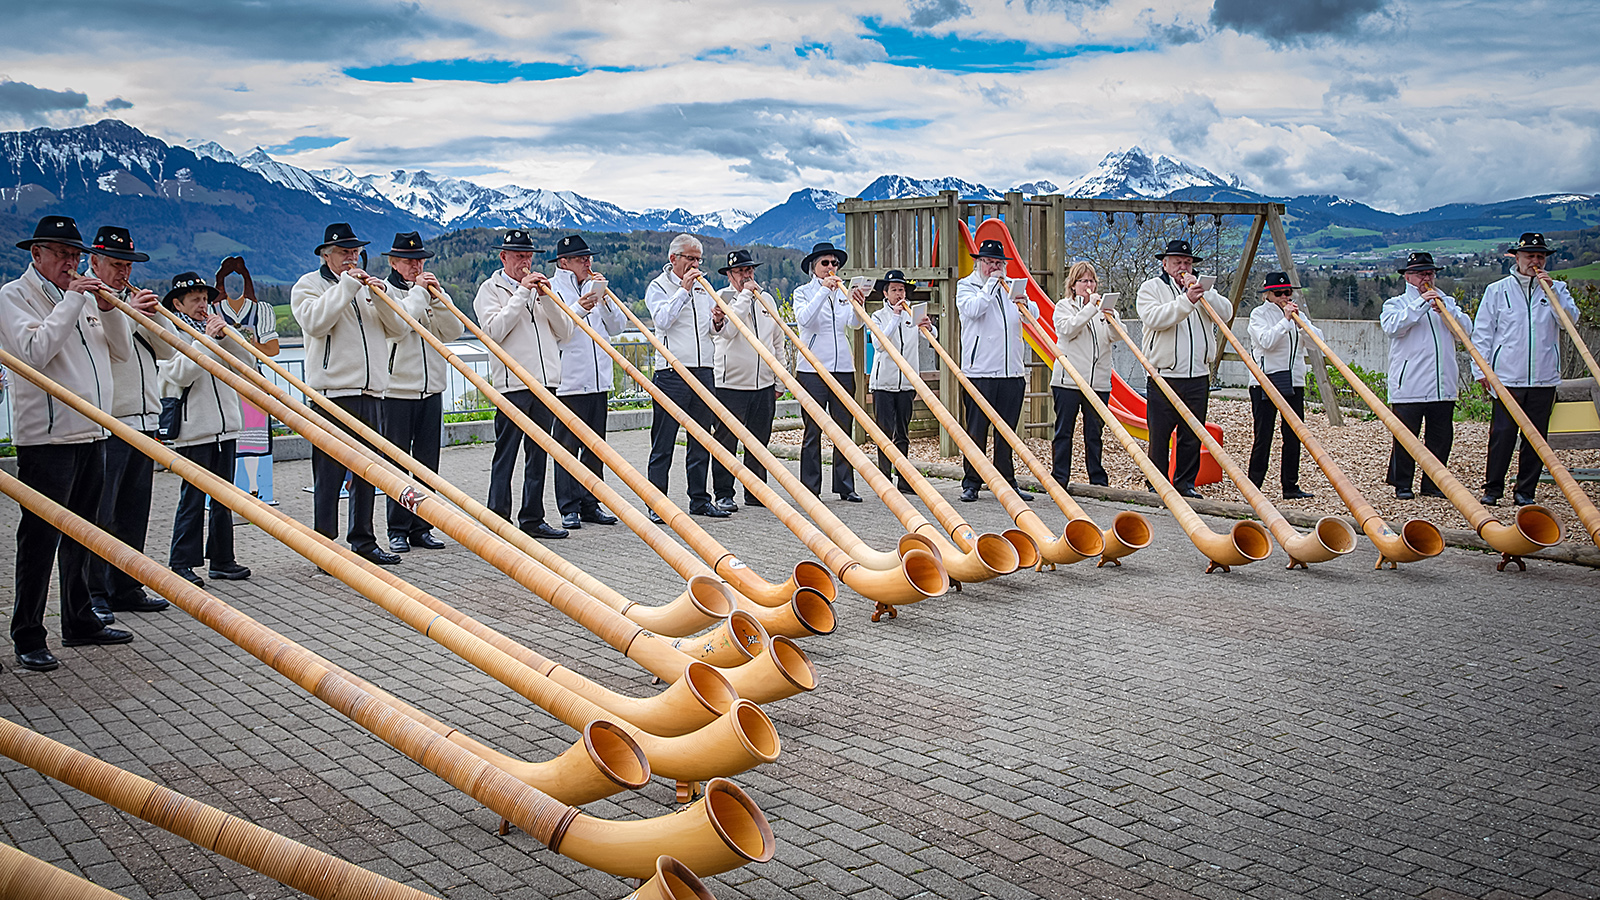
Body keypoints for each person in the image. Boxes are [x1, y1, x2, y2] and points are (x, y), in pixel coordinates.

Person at [0, 216, 138, 672]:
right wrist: (74, 301)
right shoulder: (13, 296)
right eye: (61, 254)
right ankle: (27, 633)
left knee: (86, 535)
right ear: (35, 254)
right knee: (39, 540)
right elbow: (35, 352)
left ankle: (80, 620)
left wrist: (113, 307)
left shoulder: (85, 295)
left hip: (94, 430)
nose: (71, 262)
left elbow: (119, 352)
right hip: (47, 438)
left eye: (75, 255)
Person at [290, 223, 410, 563]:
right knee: (328, 475)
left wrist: (380, 296)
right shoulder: (308, 286)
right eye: (344, 252)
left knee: (368, 472)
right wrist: (346, 286)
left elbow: (398, 329)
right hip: (331, 394)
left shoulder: (367, 286)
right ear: (326, 255)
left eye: (355, 252)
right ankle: (324, 546)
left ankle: (364, 540)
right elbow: (315, 323)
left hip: (372, 393)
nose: (352, 258)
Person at [85, 225, 172, 623]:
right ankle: (94, 592)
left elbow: (169, 353)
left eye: (128, 265)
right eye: (116, 265)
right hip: (109, 419)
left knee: (136, 509)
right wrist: (127, 316)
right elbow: (113, 354)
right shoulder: (86, 302)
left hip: (144, 418)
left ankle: (127, 583)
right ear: (94, 262)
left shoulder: (130, 300)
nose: (123, 273)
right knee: (103, 511)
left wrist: (153, 318)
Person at [1471, 233, 1581, 506]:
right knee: (1502, 434)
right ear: (1516, 258)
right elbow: (1483, 333)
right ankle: (1493, 488)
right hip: (1507, 377)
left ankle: (1525, 491)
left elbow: (1569, 322)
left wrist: (1552, 290)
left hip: (1543, 378)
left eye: (1540, 256)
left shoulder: (1558, 288)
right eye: (1530, 256)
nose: (1535, 261)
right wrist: (1481, 369)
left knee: (1535, 438)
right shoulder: (1497, 290)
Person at [475, 229, 570, 538]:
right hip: (511, 384)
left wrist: (546, 297)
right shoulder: (489, 290)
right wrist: (520, 294)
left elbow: (565, 333)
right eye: (518, 256)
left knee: (538, 453)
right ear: (503, 257)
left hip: (545, 383)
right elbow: (494, 331)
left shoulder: (541, 291)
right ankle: (497, 519)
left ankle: (532, 518)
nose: (525, 262)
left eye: (528, 256)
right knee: (507, 452)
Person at [159, 273, 250, 587]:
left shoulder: (211, 330)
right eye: (195, 299)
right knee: (193, 499)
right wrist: (208, 341)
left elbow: (247, 365)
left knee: (225, 498)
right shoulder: (169, 332)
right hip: (194, 428)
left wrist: (226, 339)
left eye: (206, 299)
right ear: (177, 303)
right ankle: (182, 562)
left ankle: (222, 560)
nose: (203, 305)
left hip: (225, 428)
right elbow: (180, 374)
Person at [380, 232, 461, 553]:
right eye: (409, 261)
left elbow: (454, 331)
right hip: (397, 389)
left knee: (428, 463)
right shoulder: (384, 290)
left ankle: (423, 525)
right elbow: (399, 326)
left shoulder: (428, 292)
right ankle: (397, 528)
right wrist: (417, 293)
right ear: (393, 263)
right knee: (397, 465)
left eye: (420, 261)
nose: (416, 266)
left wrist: (440, 299)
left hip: (432, 389)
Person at [1135, 239, 1231, 498]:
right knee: (1160, 435)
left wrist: (1204, 294)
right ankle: (1157, 483)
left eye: (1187, 262)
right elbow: (1155, 318)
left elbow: (1227, 313)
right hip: (1164, 374)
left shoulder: (1201, 290)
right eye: (1177, 262)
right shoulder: (1151, 288)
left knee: (1192, 434)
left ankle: (1185, 484)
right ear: (1164, 264)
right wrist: (1186, 301)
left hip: (1198, 374)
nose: (1183, 267)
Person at [643, 234, 728, 520]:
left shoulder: (704, 288)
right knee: (664, 439)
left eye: (698, 259)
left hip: (704, 369)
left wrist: (717, 320)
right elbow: (662, 321)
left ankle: (700, 500)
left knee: (702, 439)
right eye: (689, 259)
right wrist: (683, 290)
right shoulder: (657, 286)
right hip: (672, 371)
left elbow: (710, 332)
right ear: (673, 259)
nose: (695, 265)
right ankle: (657, 503)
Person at [548, 235, 624, 531]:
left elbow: (617, 328)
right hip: (569, 381)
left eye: (589, 258)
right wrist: (579, 307)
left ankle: (591, 502)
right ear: (564, 263)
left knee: (595, 447)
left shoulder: (595, 286)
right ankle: (568, 507)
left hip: (597, 380)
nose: (587, 263)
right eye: (581, 259)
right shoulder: (553, 289)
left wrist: (604, 300)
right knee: (567, 447)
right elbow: (558, 332)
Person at [1381, 252, 1471, 500]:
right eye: (1421, 273)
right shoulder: (1396, 303)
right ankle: (1402, 484)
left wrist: (1445, 310)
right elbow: (1392, 327)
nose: (1427, 277)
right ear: (1408, 276)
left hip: (1443, 384)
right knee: (1406, 438)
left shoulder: (1446, 301)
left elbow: (1465, 332)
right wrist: (1421, 304)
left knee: (1440, 438)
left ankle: (1433, 483)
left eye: (1430, 273)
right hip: (1409, 385)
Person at [954, 239, 1038, 502]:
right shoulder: (966, 286)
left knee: (1007, 432)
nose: (995, 267)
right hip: (980, 372)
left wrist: (1025, 303)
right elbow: (973, 310)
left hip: (1011, 371)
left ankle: (1006, 481)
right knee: (977, 430)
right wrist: (991, 285)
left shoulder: (1010, 286)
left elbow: (1031, 316)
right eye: (989, 262)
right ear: (979, 262)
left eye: (999, 263)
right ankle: (972, 482)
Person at [710, 249, 785, 510]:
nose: (747, 275)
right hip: (730, 384)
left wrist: (779, 379)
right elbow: (727, 331)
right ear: (730, 275)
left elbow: (777, 341)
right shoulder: (722, 297)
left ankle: (756, 491)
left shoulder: (767, 299)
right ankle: (723, 493)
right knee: (726, 440)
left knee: (758, 441)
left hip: (762, 382)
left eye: (749, 270)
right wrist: (743, 296)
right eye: (741, 271)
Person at [792, 241, 861, 502]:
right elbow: (805, 320)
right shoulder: (803, 292)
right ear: (814, 267)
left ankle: (845, 485)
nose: (832, 268)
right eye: (826, 263)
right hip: (811, 368)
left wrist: (856, 305)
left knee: (844, 428)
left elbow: (852, 325)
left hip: (843, 367)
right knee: (813, 430)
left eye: (835, 264)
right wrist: (823, 292)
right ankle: (810, 488)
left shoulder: (841, 292)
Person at [1246, 273, 1322, 500]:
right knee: (1264, 435)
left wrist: (1302, 322)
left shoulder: (1296, 316)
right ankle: (1254, 487)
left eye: (1287, 292)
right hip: (1265, 380)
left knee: (1293, 435)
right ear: (1267, 295)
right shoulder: (1258, 315)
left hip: (1294, 380)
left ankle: (1290, 486)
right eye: (1278, 293)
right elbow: (1266, 341)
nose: (1284, 297)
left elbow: (1318, 342)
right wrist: (1286, 321)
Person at [214, 256, 279, 506]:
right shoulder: (214, 311)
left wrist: (253, 344)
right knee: (229, 435)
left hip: (252, 380)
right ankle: (227, 488)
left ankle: (254, 487)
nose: (234, 288)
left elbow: (273, 348)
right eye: (229, 282)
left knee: (253, 435)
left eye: (238, 282)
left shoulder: (260, 310)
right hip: (223, 379)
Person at [1049, 261, 1118, 487]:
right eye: (1083, 281)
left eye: (1092, 280)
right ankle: (1060, 479)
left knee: (1094, 433)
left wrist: (1110, 318)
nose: (1089, 285)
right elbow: (1067, 329)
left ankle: (1097, 480)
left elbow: (1117, 336)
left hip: (1098, 382)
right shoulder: (1063, 306)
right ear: (1073, 284)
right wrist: (1091, 308)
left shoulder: (1102, 308)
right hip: (1068, 381)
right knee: (1064, 431)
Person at [867, 269, 933, 494]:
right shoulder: (878, 316)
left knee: (903, 433)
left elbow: (931, 341)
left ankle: (904, 479)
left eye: (902, 290)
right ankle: (884, 480)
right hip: (883, 383)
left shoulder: (912, 315)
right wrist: (895, 316)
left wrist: (928, 327)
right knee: (884, 432)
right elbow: (878, 343)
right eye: (894, 290)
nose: (899, 294)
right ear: (885, 293)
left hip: (907, 383)